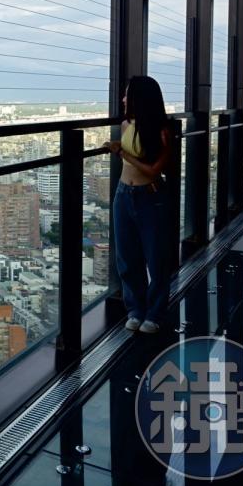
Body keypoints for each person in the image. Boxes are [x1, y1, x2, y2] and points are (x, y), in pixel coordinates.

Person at [103, 75, 173, 334]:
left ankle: (154, 313)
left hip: (150, 197)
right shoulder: (125, 125)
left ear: (140, 99)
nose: (123, 99)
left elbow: (155, 170)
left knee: (156, 259)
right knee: (127, 257)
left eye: (127, 95)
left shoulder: (163, 131)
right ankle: (135, 310)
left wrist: (122, 153)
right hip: (124, 195)